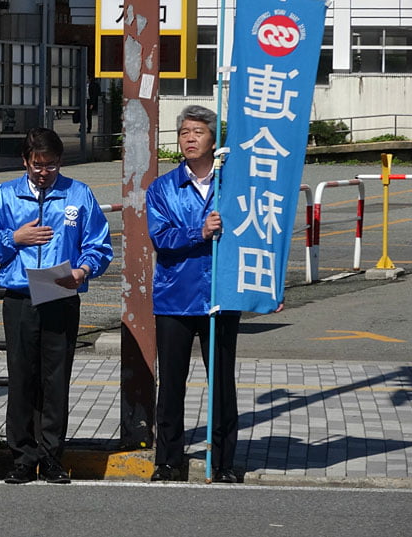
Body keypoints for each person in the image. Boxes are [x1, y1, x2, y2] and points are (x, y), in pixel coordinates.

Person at [0, 127, 113, 485]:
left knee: (55, 378)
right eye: (37, 165)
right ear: (25, 162)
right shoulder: (6, 195)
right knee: (21, 377)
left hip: (61, 295)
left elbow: (100, 245)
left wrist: (83, 270)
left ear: (60, 162)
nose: (44, 172)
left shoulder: (78, 194)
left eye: (50, 165)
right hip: (20, 296)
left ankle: (50, 455)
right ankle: (21, 456)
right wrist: (14, 238)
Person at [146, 105, 240, 484]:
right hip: (175, 297)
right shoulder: (163, 187)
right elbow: (162, 238)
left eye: (198, 132)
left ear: (214, 140)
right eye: (184, 132)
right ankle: (167, 460)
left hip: (221, 296)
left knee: (221, 383)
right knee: (170, 385)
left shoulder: (232, 187)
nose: (189, 138)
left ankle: (223, 462)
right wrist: (198, 232)